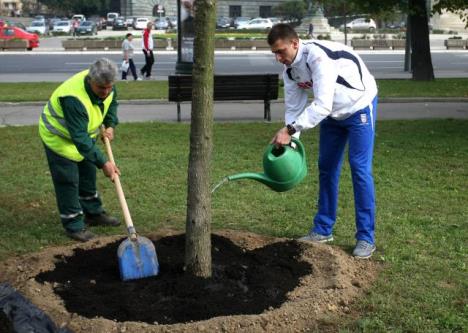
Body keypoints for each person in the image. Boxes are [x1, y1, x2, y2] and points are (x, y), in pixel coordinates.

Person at [268, 24, 378, 259]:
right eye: (274, 53)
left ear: (295, 43)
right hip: (330, 114)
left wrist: (289, 130)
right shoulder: (289, 71)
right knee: (327, 167)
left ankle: (366, 238)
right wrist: (291, 139)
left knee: (359, 169)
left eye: (281, 51)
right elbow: (294, 109)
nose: (278, 58)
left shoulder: (318, 57)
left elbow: (322, 105)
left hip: (358, 106)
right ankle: (323, 229)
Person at [39, 58, 121, 242]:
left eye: (109, 87)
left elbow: (111, 104)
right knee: (68, 180)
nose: (106, 92)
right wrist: (104, 163)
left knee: (87, 174)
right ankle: (73, 225)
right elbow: (80, 139)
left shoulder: (107, 84)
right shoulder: (73, 98)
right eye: (102, 89)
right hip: (59, 139)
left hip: (83, 137)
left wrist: (110, 124)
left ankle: (93, 213)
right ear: (91, 81)